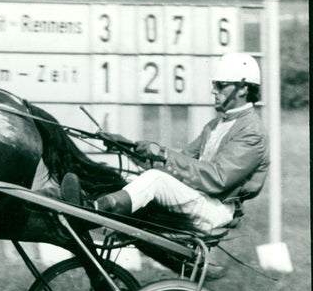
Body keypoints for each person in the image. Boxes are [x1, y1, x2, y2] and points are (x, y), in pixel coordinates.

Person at [61, 52, 270, 237]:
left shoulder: (252, 132)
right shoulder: (215, 125)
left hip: (217, 211)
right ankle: (88, 204)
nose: (214, 91)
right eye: (214, 85)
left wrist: (163, 153)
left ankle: (91, 210)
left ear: (242, 89)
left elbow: (217, 179)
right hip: (201, 200)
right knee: (136, 177)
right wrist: (129, 147)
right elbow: (179, 163)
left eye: (221, 85)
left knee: (155, 179)